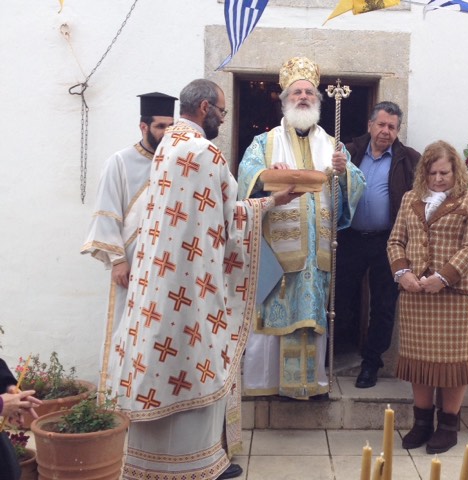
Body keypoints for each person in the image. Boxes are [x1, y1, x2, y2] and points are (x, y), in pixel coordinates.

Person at [108, 79, 299, 480]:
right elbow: (231, 220)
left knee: (162, 362)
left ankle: (148, 464)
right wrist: (272, 202)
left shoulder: (167, 146)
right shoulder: (203, 152)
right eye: (222, 111)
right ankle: (193, 465)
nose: (223, 119)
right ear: (206, 107)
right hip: (191, 289)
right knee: (196, 360)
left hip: (159, 285)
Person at [238, 56, 365, 399]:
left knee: (312, 314)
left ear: (318, 100)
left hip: (316, 253)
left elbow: (356, 188)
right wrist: (267, 176)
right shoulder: (264, 143)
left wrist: (345, 172)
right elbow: (245, 178)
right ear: (285, 100)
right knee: (271, 314)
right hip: (276, 252)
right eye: (297, 92)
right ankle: (266, 385)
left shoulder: (333, 146)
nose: (304, 97)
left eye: (309, 92)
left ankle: (310, 385)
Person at [387, 140, 468, 453]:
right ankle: (421, 424)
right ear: (424, 173)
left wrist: (443, 277)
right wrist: (403, 273)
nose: (439, 178)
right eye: (432, 173)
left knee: (452, 363)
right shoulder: (410, 198)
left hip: (456, 295)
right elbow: (395, 241)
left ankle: (448, 426)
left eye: (444, 172)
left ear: (456, 171)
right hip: (415, 294)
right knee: (418, 361)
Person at [81, 92, 177, 392]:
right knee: (125, 327)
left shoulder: (176, 162)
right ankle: (117, 395)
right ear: (143, 127)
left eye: (170, 126)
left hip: (165, 264)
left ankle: (152, 394)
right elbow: (107, 212)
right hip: (131, 265)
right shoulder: (119, 162)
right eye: (160, 126)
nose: (166, 133)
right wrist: (118, 260)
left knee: (161, 330)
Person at [334, 101, 420, 389]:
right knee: (340, 297)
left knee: (383, 305)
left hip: (389, 241)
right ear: (370, 125)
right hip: (350, 237)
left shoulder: (409, 159)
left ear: (398, 131)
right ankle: (332, 352)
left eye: (392, 127)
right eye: (381, 124)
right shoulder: (349, 152)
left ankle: (371, 363)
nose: (386, 131)